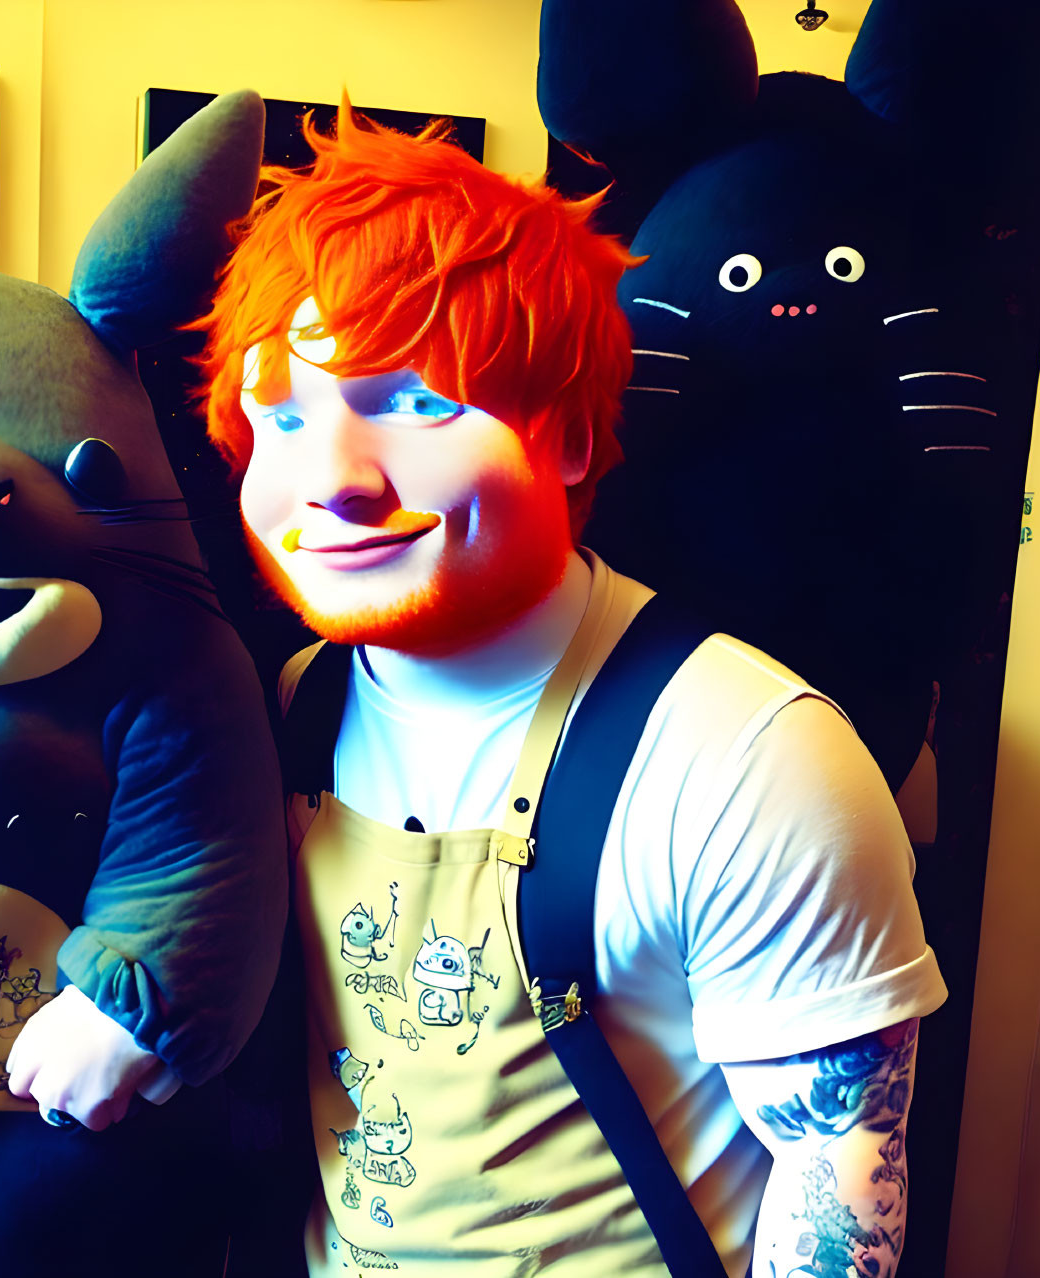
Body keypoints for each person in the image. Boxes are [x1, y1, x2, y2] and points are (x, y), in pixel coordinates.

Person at [194, 103, 947, 1276]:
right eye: (279, 417)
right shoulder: (285, 706)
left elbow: (836, 1172)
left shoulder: (749, 755)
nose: (327, 480)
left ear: (573, 440)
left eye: (414, 403)